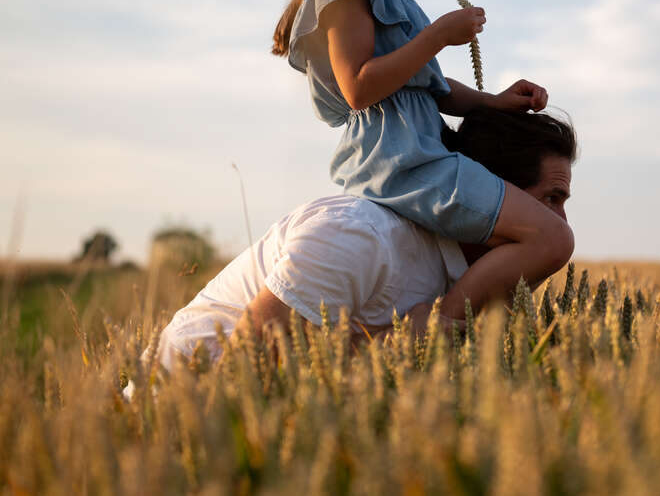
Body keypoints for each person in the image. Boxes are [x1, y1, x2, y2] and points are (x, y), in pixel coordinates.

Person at [271, 0, 574, 321]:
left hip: (421, 154)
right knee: (551, 237)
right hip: (402, 163)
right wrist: (438, 36)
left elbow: (425, 86)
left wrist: (490, 101)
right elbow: (359, 86)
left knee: (548, 236)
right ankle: (434, 328)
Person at [152, 108, 577, 371]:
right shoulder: (359, 237)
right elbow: (247, 366)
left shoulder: (468, 281)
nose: (558, 222)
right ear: (489, 193)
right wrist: (401, 346)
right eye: (550, 199)